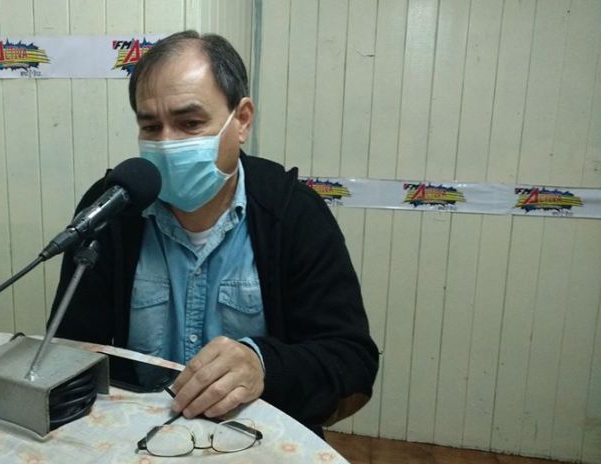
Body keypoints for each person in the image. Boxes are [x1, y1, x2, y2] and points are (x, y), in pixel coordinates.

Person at [52, 30, 379, 435]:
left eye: (189, 123)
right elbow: (71, 349)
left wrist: (263, 365)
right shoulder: (112, 209)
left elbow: (351, 360)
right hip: (138, 439)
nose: (167, 144)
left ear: (242, 120)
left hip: (254, 443)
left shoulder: (294, 214)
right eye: (151, 127)